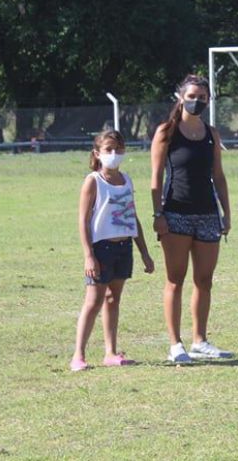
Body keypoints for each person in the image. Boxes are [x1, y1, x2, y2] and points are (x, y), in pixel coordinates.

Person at [151, 74, 233, 363]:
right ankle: (176, 344)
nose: (196, 101)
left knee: (204, 280)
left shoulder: (212, 134)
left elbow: (218, 176)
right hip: (176, 214)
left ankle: (200, 340)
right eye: (192, 96)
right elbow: (156, 177)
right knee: (175, 279)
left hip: (208, 214)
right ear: (180, 97)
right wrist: (158, 213)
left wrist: (226, 212)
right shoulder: (167, 132)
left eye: (202, 97)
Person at [71, 130, 154, 371]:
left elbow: (132, 216)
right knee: (93, 301)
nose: (114, 154)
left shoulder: (126, 180)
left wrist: (144, 252)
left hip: (123, 246)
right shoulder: (93, 181)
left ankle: (110, 352)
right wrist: (89, 255)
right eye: (109, 150)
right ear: (97, 153)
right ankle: (78, 354)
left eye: (118, 149)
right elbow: (84, 220)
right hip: (102, 248)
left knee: (112, 299)